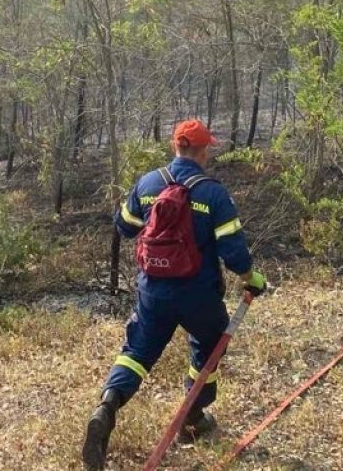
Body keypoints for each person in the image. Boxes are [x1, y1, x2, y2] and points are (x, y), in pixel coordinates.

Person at [81, 118, 267, 471]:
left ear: (174, 146)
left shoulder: (149, 183)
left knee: (137, 352)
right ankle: (193, 417)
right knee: (210, 345)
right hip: (199, 295)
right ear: (203, 150)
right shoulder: (213, 193)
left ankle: (107, 405)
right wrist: (251, 278)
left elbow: (123, 226)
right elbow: (235, 255)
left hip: (153, 293)